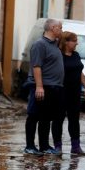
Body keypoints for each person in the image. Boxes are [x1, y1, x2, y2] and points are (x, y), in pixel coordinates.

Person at [23, 19, 64, 155]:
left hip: (53, 87)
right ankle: (29, 146)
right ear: (53, 28)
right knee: (34, 115)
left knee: (46, 117)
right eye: (60, 28)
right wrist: (39, 87)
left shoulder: (54, 45)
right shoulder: (40, 45)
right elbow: (36, 66)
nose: (62, 30)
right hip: (42, 86)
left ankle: (44, 146)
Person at [52, 31, 85, 156]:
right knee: (58, 119)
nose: (76, 43)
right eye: (74, 41)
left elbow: (79, 72)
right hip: (61, 91)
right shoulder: (58, 55)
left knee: (74, 120)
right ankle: (58, 147)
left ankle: (76, 147)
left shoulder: (76, 55)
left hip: (75, 92)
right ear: (66, 42)